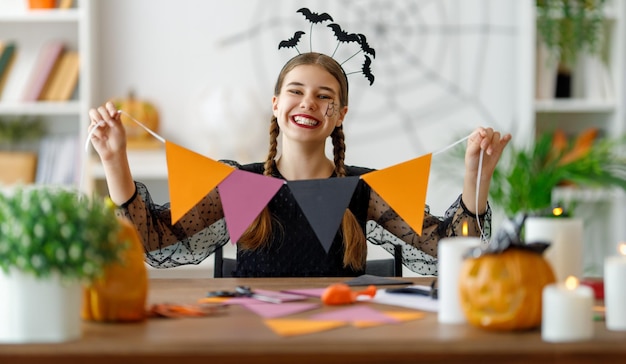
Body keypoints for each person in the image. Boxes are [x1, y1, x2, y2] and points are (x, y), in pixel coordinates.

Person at [88, 52, 511, 277]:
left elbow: (453, 251)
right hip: (252, 343)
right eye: (296, 91)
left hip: (342, 342)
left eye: (325, 96)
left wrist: (478, 175)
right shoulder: (238, 183)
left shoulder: (365, 190)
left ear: (341, 113)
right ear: (276, 106)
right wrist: (113, 160)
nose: (309, 102)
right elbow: (154, 241)